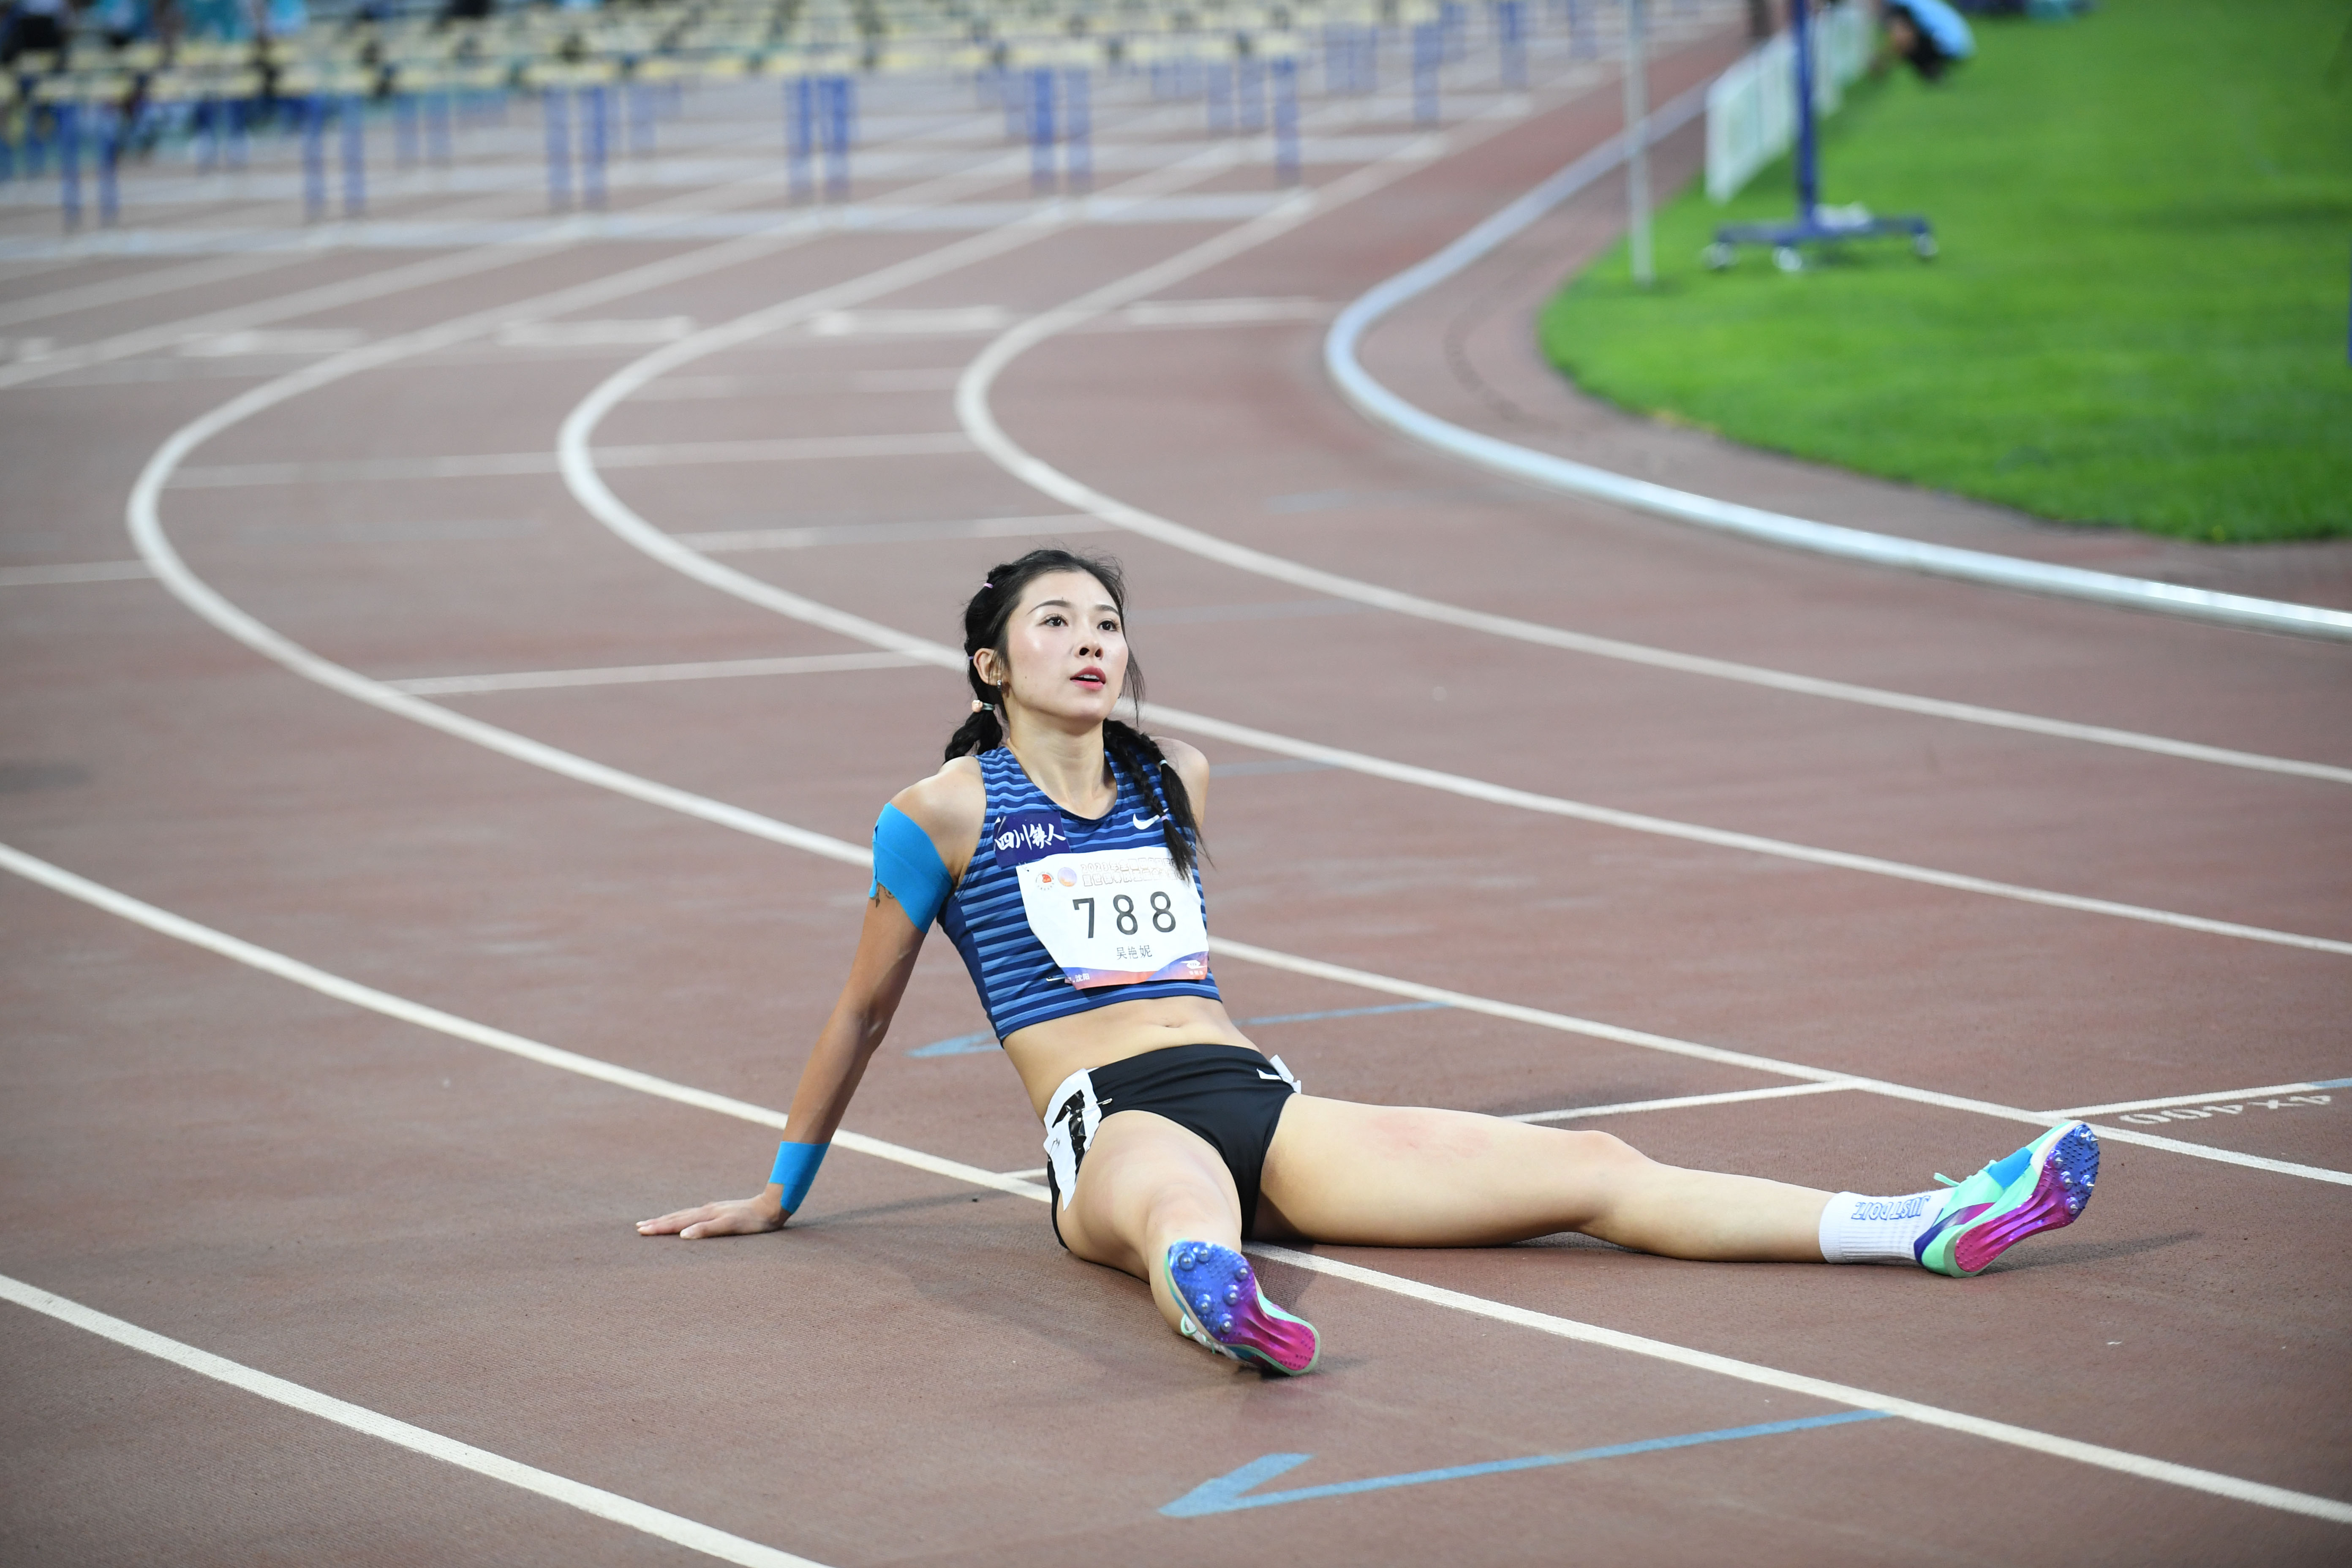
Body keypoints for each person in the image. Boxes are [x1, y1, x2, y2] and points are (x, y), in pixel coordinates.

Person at [640, 549, 2099, 1375]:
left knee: (1587, 1165)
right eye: (1054, 623)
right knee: (1176, 1211)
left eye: (1105, 620)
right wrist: (780, 1190)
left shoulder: (1175, 779)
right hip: (1112, 1121)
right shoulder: (939, 811)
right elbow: (862, 1008)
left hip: (1261, 1091)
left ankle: (1915, 1222)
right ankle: (1228, 1311)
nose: (1091, 643)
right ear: (987, 667)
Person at [1878, 0, 1976, 82]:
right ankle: (1934, 73)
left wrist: (1883, 61)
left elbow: (1904, 39)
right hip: (1961, 42)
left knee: (1908, 42)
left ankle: (1933, 73)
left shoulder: (1899, 5)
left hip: (1949, 44)